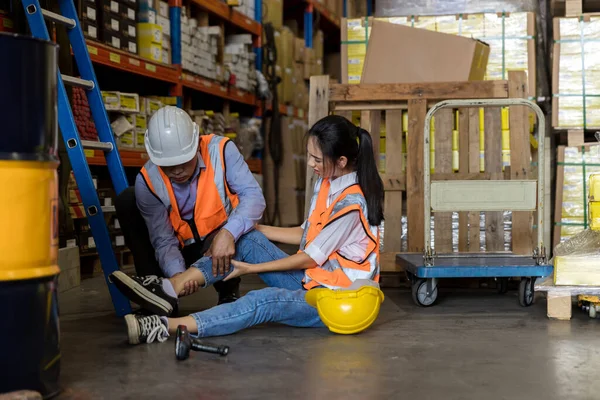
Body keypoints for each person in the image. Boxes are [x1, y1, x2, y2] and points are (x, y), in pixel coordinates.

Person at [117, 115, 385, 344]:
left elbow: (309, 256)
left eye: (316, 159)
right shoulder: (327, 183)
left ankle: (164, 326)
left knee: (262, 301)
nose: (310, 164)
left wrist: (252, 269)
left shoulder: (351, 205)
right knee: (245, 236)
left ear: (340, 161)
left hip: (336, 299)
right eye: (310, 156)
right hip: (313, 280)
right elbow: (306, 235)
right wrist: (249, 229)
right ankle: (169, 288)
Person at [111, 106, 266, 309]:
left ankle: (228, 291)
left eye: (183, 161)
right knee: (127, 200)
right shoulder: (148, 180)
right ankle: (161, 295)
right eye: (168, 165)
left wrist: (229, 232)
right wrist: (178, 274)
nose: (177, 171)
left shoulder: (221, 151)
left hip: (219, 242)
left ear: (196, 144)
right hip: (180, 246)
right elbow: (162, 239)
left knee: (238, 231)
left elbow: (254, 198)